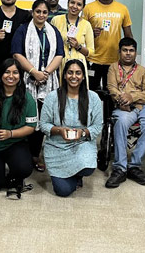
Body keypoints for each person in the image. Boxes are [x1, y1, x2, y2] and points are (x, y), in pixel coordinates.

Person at [12, 0, 64, 172]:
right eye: (38, 12)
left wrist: (46, 73)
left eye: (44, 12)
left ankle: (36, 153)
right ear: (32, 12)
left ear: (48, 14)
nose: (41, 15)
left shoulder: (53, 31)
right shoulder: (23, 29)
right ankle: (22, 153)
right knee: (26, 116)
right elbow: (17, 54)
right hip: (27, 80)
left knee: (44, 118)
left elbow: (59, 55)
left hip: (49, 81)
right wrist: (34, 72)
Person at [39, 60, 103, 197]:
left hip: (82, 143)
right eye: (70, 72)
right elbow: (43, 124)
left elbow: (98, 126)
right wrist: (59, 130)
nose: (74, 76)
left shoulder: (93, 97)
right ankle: (68, 175)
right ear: (64, 75)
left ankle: (77, 174)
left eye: (78, 73)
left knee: (88, 167)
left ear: (84, 76)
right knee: (63, 191)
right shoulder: (52, 97)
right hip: (57, 145)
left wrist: (83, 132)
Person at [105, 37, 145, 188]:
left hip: (144, 106)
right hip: (123, 107)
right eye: (125, 50)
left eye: (131, 51)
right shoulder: (113, 68)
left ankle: (134, 165)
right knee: (121, 122)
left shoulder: (142, 71)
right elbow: (112, 88)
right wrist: (123, 99)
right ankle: (120, 168)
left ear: (135, 53)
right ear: (119, 52)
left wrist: (133, 96)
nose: (128, 54)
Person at [0, 58, 37, 199]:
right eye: (7, 72)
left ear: (20, 76)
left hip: (14, 143)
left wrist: (10, 133)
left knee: (24, 168)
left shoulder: (28, 99)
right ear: (0, 75)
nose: (11, 76)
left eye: (15, 72)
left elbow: (31, 127)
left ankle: (14, 176)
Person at [82, 0, 133, 90]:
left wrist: (129, 59)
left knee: (112, 96)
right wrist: (91, 33)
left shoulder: (122, 8)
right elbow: (81, 35)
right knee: (90, 94)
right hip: (92, 60)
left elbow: (128, 36)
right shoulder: (88, 8)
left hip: (114, 61)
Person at [50, 0, 95, 79]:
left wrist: (78, 47)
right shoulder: (56, 20)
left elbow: (91, 52)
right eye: (72, 2)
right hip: (59, 63)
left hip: (78, 65)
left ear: (83, 7)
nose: (74, 6)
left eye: (79, 4)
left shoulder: (86, 24)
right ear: (68, 3)